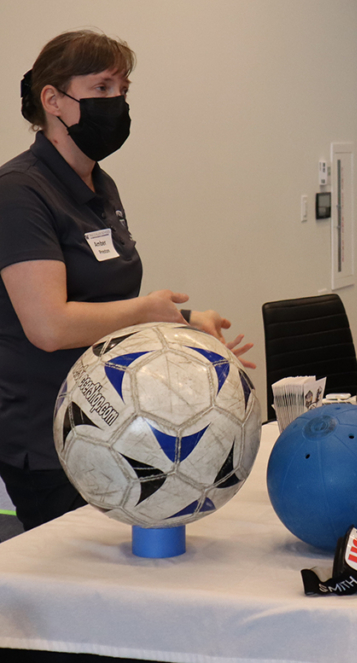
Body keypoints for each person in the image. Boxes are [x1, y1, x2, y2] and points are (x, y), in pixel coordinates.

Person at [0, 30, 254, 532]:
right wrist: (148, 312)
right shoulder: (19, 193)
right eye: (101, 89)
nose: (116, 102)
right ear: (53, 99)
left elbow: (105, 305)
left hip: (113, 423)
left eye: (123, 89)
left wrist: (183, 323)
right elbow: (49, 325)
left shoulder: (99, 183)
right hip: (52, 435)